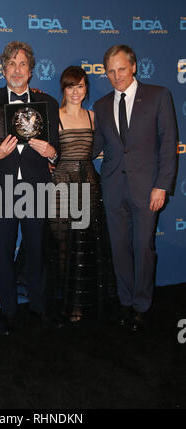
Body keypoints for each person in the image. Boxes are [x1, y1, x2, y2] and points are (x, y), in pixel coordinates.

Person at [0, 41, 59, 335]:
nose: (17, 70)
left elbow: (57, 149)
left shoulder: (47, 103)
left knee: (36, 252)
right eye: (11, 64)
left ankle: (38, 307)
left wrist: (51, 152)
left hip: (36, 189)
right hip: (0, 190)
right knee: (2, 253)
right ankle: (8, 312)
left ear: (31, 71)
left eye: (22, 64)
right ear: (3, 69)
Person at [93, 45, 177, 332]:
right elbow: (93, 146)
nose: (117, 76)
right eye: (111, 71)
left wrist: (161, 186)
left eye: (121, 69)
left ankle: (141, 305)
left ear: (134, 67)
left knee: (143, 248)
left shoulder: (158, 96)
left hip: (147, 189)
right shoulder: (101, 106)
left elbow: (168, 146)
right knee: (118, 249)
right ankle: (125, 301)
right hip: (113, 187)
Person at [46, 66, 115, 323]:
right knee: (63, 246)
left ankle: (79, 303)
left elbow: (103, 148)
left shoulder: (93, 117)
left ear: (86, 88)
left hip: (87, 185)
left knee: (83, 248)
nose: (76, 92)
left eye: (81, 86)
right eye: (71, 86)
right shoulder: (54, 116)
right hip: (60, 186)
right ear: (63, 89)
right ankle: (63, 304)